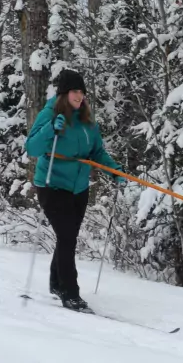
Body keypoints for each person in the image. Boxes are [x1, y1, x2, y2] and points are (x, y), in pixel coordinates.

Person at [25, 69, 126, 312]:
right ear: (63, 93)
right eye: (74, 91)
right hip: (52, 185)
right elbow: (32, 148)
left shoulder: (87, 120)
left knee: (66, 238)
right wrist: (51, 128)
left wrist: (114, 171)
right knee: (67, 238)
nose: (79, 96)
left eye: (81, 92)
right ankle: (70, 293)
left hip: (78, 188)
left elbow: (97, 152)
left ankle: (56, 283)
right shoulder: (50, 114)